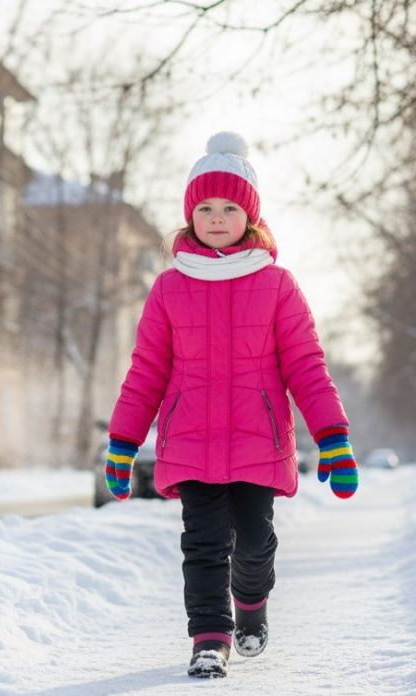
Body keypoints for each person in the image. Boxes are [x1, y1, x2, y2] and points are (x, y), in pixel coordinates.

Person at [102, 131, 359, 679]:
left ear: (251, 216)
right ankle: (209, 638)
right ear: (189, 215)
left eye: (229, 208)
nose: (216, 218)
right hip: (190, 443)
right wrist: (123, 445)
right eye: (205, 207)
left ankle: (251, 606)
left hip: (257, 444)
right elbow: (146, 371)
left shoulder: (277, 285)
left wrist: (333, 439)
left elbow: (307, 367)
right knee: (203, 545)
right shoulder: (169, 288)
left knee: (254, 542)